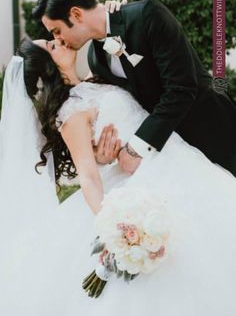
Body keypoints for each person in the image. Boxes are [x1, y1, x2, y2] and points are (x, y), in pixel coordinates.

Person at [0, 37, 236, 316]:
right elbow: (88, 176)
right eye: (52, 46)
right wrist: (113, 229)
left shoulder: (93, 80)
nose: (59, 40)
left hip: (178, 161)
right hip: (145, 185)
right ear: (48, 68)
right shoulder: (70, 113)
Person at [32, 0, 236, 177]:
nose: (57, 39)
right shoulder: (95, 58)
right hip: (172, 156)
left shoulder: (147, 15)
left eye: (57, 31)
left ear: (76, 14)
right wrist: (100, 154)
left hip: (214, 131)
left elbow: (181, 89)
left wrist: (136, 148)